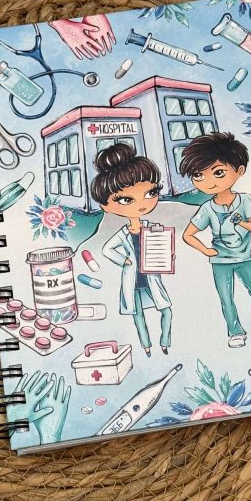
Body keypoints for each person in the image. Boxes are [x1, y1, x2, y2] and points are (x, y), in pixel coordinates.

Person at [179, 132, 251, 348]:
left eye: (218, 173)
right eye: (198, 175)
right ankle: (235, 333)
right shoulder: (207, 208)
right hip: (220, 261)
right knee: (226, 298)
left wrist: (241, 222)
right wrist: (206, 251)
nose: (208, 181)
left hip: (245, 258)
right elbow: (188, 235)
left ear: (239, 171)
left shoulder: (246, 201)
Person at [90, 143, 172, 356]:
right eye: (126, 199)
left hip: (151, 279)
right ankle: (146, 346)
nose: (142, 204)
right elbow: (107, 250)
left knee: (166, 311)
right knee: (138, 316)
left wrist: (164, 255)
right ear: (106, 205)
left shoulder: (151, 229)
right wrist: (124, 261)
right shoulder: (122, 234)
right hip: (133, 282)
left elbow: (161, 251)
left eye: (151, 192)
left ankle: (165, 342)